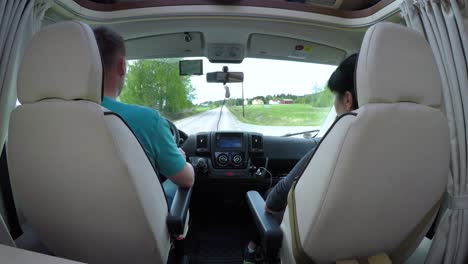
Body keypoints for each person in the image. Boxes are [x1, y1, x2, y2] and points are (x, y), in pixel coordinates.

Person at [243, 53, 359, 264]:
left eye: (335, 97)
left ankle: (251, 251)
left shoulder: (337, 143)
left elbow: (273, 203)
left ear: (348, 100)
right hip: (380, 246)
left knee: (268, 194)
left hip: (312, 251)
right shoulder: (417, 138)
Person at [93, 26, 195, 207]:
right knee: (175, 180)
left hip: (68, 225)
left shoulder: (47, 121)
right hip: (136, 228)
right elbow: (187, 180)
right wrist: (180, 159)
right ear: (121, 66)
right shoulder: (148, 120)